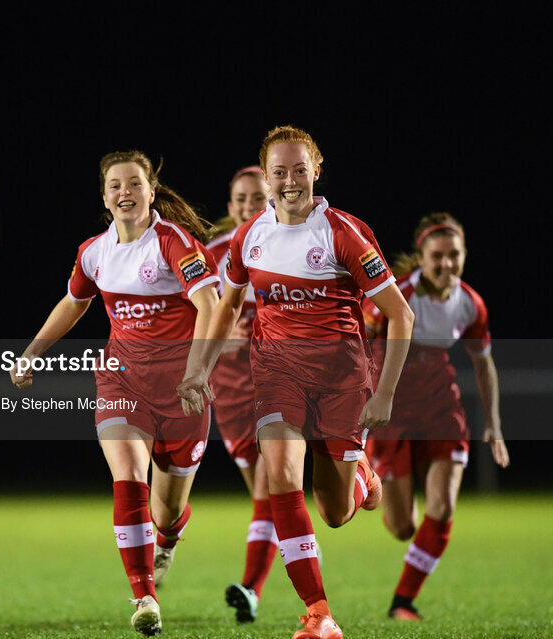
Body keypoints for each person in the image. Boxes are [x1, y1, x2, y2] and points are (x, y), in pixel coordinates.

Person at [177, 125, 415, 639]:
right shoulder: (249, 237)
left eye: (299, 170)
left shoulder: (344, 233)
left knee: (333, 512)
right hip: (277, 375)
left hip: (341, 378)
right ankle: (318, 613)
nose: (290, 181)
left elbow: (401, 316)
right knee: (281, 478)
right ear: (266, 178)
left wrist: (387, 393)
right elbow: (229, 307)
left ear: (316, 171)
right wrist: (199, 366)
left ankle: (359, 477)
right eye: (279, 172)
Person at [10, 150, 219, 636]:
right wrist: (31, 352)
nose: (125, 192)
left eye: (134, 184)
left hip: (182, 392)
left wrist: (195, 371)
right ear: (104, 197)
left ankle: (168, 537)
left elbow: (209, 306)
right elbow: (74, 301)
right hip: (121, 380)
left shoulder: (174, 244)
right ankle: (144, 595)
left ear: (151, 191)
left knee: (166, 510)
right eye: (115, 185)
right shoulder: (94, 251)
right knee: (128, 477)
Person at [363, 213, 509, 621]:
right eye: (437, 256)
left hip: (441, 408)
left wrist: (493, 424)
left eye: (454, 255)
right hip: (392, 410)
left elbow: (484, 364)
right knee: (402, 528)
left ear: (464, 255)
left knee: (442, 507)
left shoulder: (470, 303)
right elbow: (359, 347)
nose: (447, 264)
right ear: (422, 257)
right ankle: (370, 477)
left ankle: (403, 602)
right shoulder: (397, 295)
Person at [203, 166, 277, 623]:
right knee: (264, 498)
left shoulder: (287, 245)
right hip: (229, 393)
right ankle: (293, 546)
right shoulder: (211, 255)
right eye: (241, 199)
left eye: (257, 197)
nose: (249, 205)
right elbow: (188, 313)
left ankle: (251, 589)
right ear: (230, 208)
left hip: (278, 385)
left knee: (271, 491)